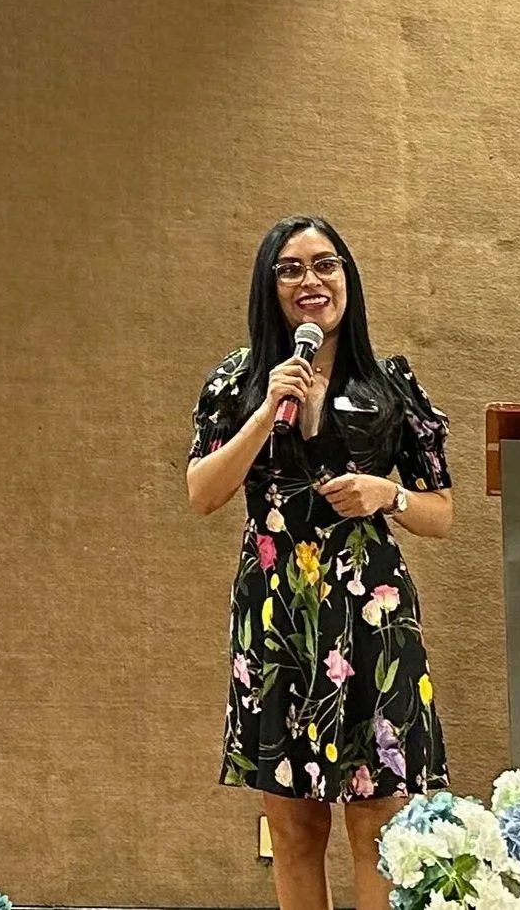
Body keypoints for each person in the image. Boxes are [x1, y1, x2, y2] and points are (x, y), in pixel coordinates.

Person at [187, 216, 453, 910]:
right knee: (294, 828)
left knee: (378, 823)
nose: (311, 281)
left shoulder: (390, 382)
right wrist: (267, 407)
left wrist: (389, 494)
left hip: (373, 616)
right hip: (278, 621)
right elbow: (203, 493)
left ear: (347, 278)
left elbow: (442, 512)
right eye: (291, 268)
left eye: (325, 264)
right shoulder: (238, 380)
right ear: (269, 286)